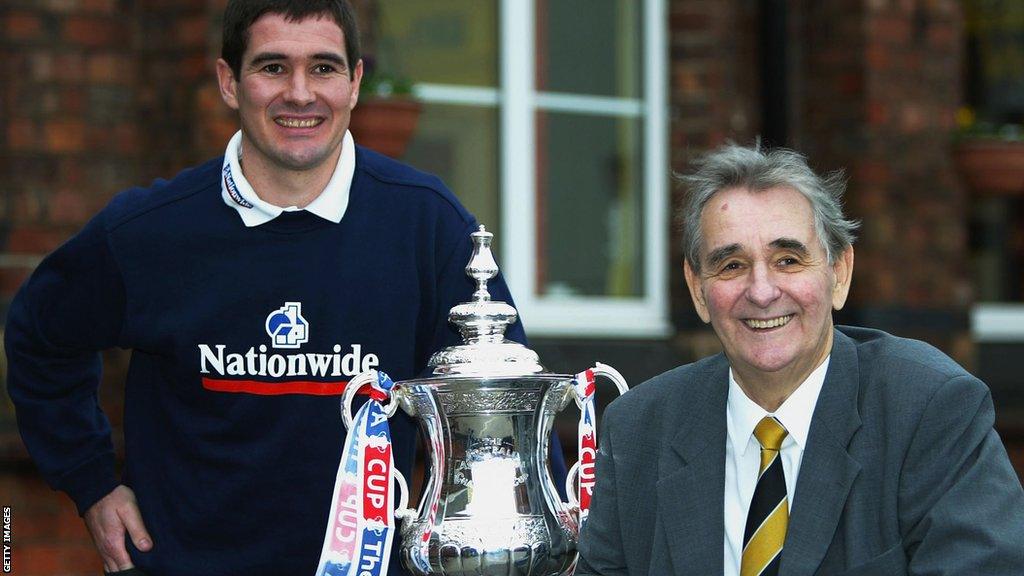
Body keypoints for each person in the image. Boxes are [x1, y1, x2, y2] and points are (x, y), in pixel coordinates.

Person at [5, 1, 564, 575]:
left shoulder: (429, 226)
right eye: (273, 67)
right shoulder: (150, 230)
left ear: (355, 83)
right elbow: (38, 338)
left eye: (323, 68)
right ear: (229, 82)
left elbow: (506, 402)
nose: (300, 93)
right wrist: (91, 482)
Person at [575, 143, 1024, 576]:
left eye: (787, 259)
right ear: (698, 291)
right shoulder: (640, 428)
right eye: (731, 265)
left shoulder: (928, 409)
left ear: (839, 274)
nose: (762, 291)